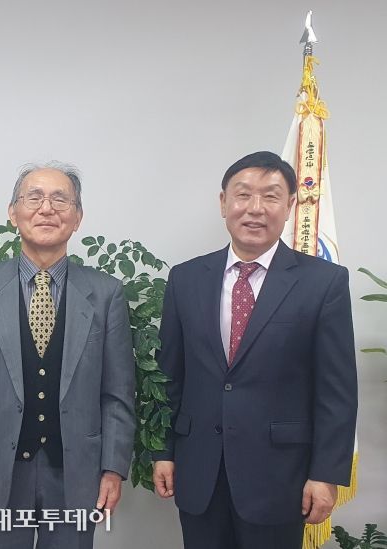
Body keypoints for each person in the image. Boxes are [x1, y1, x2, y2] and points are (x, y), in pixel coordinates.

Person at [152, 151, 358, 549]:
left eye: (271, 196)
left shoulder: (323, 283)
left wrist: (325, 474)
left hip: (280, 476)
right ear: (223, 202)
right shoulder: (186, 278)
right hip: (200, 470)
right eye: (243, 194)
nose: (255, 208)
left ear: (290, 205)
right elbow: (169, 376)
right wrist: (163, 451)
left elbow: (337, 391)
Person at [0, 162, 135, 548]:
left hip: (76, 472)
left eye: (61, 200)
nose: (47, 208)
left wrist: (113, 468)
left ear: (77, 218)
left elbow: (118, 392)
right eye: (34, 198)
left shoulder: (106, 294)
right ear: (13, 213)